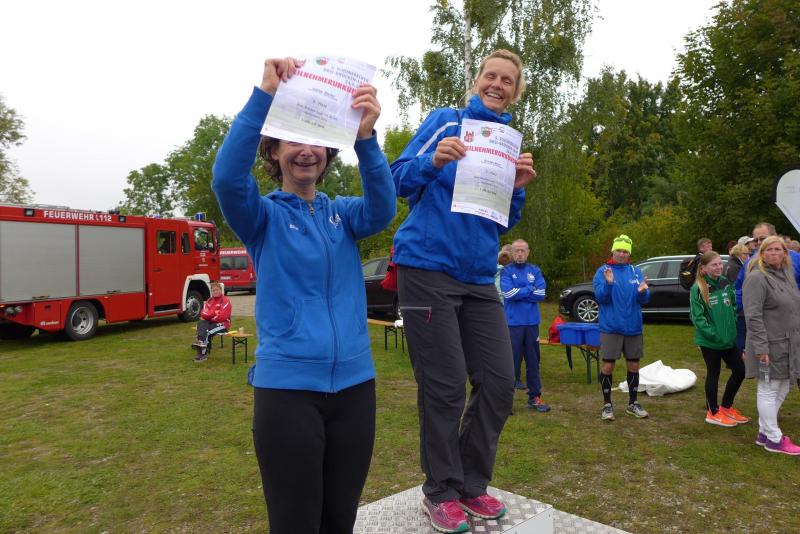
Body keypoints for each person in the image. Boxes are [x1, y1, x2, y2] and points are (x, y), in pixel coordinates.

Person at [211, 57, 395, 533]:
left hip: (355, 388)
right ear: (273, 152)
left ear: (329, 152)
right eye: (292, 140)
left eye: (315, 142)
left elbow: (383, 209)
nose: (306, 151)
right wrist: (264, 96)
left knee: (340, 520)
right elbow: (227, 180)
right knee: (296, 523)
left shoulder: (345, 215)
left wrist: (366, 139)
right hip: (287, 392)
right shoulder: (262, 218)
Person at [390, 49, 536, 533]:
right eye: (490, 76)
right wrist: (433, 160)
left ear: (515, 92)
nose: (497, 84)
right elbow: (395, 179)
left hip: (478, 277)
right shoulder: (447, 121)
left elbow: (502, 220)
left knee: (498, 382)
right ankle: (440, 490)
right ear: (476, 81)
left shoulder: (507, 143)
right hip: (426, 267)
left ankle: (472, 484)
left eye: (507, 80)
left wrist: (517, 187)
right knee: (446, 385)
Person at [742, 236, 800, 455]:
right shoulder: (757, 278)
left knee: (784, 386)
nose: (774, 253)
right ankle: (774, 438)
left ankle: (764, 432)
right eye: (769, 250)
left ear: (785, 253)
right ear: (762, 253)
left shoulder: (786, 275)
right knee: (768, 388)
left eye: (778, 249)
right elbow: (753, 315)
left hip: (789, 343)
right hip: (769, 345)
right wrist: (761, 348)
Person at [592, 234, 650, 421]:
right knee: (608, 366)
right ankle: (607, 405)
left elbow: (644, 299)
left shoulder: (635, 271)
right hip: (611, 327)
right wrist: (609, 284)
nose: (622, 254)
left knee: (634, 365)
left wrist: (642, 292)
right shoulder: (603, 271)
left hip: (633, 326)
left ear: (629, 253)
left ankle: (633, 404)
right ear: (613, 251)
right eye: (619, 250)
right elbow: (601, 298)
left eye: (625, 251)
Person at [689, 252, 748, 427]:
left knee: (740, 370)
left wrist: (732, 326)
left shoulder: (725, 282)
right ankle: (713, 412)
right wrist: (713, 334)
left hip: (728, 339)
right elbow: (697, 317)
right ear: (704, 268)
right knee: (714, 374)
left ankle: (726, 407)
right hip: (711, 342)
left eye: (720, 263)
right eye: (714, 265)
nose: (719, 267)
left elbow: (733, 305)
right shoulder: (698, 287)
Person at [501, 239, 550, 412]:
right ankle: (506, 401)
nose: (520, 254)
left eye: (523, 251)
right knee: (511, 362)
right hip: (513, 324)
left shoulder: (535, 270)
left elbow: (541, 293)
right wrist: (529, 288)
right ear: (512, 253)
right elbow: (509, 293)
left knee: (533, 361)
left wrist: (521, 292)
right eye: (517, 251)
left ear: (528, 252)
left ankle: (534, 397)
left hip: (531, 323)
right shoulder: (506, 271)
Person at [192, 282, 232, 362]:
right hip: (210, 322)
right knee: (200, 323)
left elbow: (222, 316)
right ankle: (201, 344)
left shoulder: (225, 301)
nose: (215, 292)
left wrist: (210, 316)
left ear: (221, 290)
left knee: (206, 331)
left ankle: (203, 354)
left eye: (217, 290)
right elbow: (203, 313)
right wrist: (214, 313)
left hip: (223, 324)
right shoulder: (209, 301)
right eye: (213, 290)